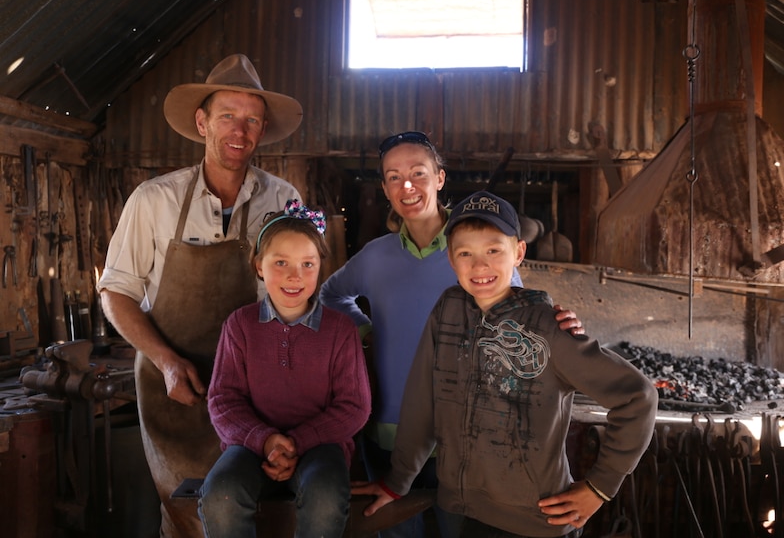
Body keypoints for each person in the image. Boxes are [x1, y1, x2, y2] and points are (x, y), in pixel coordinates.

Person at [318, 132, 586, 538]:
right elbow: (330, 294)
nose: (406, 186)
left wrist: (560, 326)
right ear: (385, 187)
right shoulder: (375, 256)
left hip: (466, 433)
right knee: (397, 530)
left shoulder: (474, 252)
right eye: (393, 176)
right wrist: (368, 331)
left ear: (440, 179)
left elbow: (517, 321)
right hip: (390, 428)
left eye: (418, 173)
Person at [351, 190, 658, 538]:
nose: (479, 266)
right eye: (465, 253)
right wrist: (398, 480)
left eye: (494, 250)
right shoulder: (448, 310)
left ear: (519, 253)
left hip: (534, 518)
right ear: (450, 259)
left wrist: (600, 486)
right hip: (460, 510)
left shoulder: (549, 328)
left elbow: (638, 397)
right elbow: (424, 400)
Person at [97, 54, 304, 537]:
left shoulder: (284, 200)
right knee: (185, 515)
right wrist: (167, 362)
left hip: (259, 392)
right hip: (178, 392)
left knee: (260, 514)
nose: (240, 129)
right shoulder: (153, 200)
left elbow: (300, 291)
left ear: (263, 128)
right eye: (227, 115)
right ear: (202, 122)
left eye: (252, 119)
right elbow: (116, 292)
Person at [197, 201, 371, 537]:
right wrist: (266, 441)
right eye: (281, 263)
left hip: (322, 444)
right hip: (251, 445)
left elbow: (355, 406)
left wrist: (296, 441)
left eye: (308, 264)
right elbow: (222, 399)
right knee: (221, 496)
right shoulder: (240, 325)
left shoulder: (340, 330)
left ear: (321, 266)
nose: (295, 276)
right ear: (259, 266)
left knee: (325, 497)